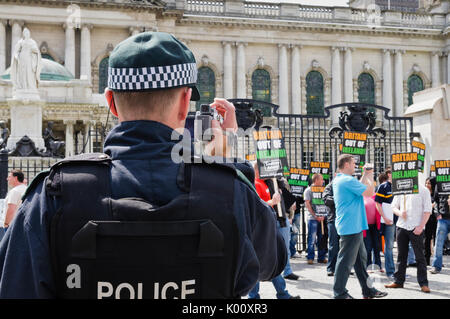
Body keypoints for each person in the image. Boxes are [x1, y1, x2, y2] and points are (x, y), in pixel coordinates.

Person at [0, 32, 287, 298]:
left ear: (110, 102)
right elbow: (272, 261)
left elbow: (14, 286)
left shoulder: (52, 194)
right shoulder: (230, 191)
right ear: (185, 102)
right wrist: (224, 161)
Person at [332, 154, 387, 299]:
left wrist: (365, 174)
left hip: (352, 226)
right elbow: (369, 192)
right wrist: (369, 174)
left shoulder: (341, 179)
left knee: (360, 263)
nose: (355, 165)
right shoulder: (347, 180)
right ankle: (339, 293)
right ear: (346, 164)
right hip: (351, 227)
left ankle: (368, 290)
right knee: (345, 262)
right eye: (353, 163)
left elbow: (361, 188)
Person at [249, 162, 300, 299]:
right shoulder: (254, 184)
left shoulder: (266, 183)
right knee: (258, 263)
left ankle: (282, 294)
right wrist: (272, 201)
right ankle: (255, 296)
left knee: (272, 261)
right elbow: (257, 206)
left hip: (268, 227)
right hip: (260, 230)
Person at [385, 181, 432, 293]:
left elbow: (427, 210)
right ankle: (398, 281)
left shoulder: (423, 190)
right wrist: (400, 213)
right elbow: (393, 207)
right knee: (401, 256)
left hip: (416, 227)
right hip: (402, 226)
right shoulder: (401, 190)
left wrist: (421, 226)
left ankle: (423, 283)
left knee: (420, 256)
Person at [375, 168, 395, 279]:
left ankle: (396, 271)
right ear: (388, 174)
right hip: (389, 221)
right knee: (389, 246)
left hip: (399, 220)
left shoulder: (399, 185)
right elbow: (378, 203)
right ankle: (390, 271)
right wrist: (385, 217)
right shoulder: (383, 186)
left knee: (396, 246)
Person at [304, 173, 327, 265]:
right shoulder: (308, 190)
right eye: (321, 179)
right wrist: (315, 215)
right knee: (312, 238)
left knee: (322, 238)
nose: (323, 181)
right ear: (316, 180)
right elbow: (307, 204)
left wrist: (323, 215)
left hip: (322, 218)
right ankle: (310, 257)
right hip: (312, 218)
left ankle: (321, 257)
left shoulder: (323, 190)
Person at [0, 170, 27, 241]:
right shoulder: (26, 189)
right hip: (22, 224)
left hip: (11, 226)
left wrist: (6, 223)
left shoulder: (14, 191)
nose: (7, 179)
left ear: (15, 178)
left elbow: (11, 209)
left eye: (9, 177)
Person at [430, 182, 450, 274]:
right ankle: (436, 266)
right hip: (443, 218)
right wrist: (437, 213)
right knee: (438, 243)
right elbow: (435, 200)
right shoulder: (440, 182)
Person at [323, 174, 338, 276]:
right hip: (333, 219)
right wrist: (339, 199)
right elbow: (326, 200)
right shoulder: (329, 186)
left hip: (345, 219)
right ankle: (331, 268)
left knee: (344, 246)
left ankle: (343, 267)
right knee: (333, 245)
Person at [363, 194, 382, 270]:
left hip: (375, 225)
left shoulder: (376, 196)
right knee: (368, 246)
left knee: (377, 246)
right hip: (365, 226)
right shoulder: (361, 196)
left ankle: (378, 265)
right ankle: (368, 265)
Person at [424, 177, 437, 266]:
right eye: (426, 183)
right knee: (427, 239)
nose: (427, 185)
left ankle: (436, 261)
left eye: (429, 183)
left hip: (436, 219)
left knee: (437, 240)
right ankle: (426, 259)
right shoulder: (424, 194)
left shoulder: (436, 194)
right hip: (427, 219)